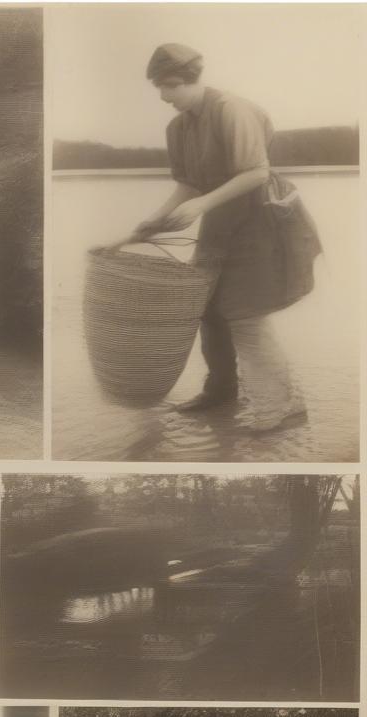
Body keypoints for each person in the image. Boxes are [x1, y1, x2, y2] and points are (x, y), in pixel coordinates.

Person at [133, 44, 320, 432]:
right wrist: (152, 220)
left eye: (170, 86)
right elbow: (187, 184)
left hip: (262, 217)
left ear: (192, 80)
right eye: (159, 88)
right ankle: (221, 391)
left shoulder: (232, 110)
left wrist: (201, 206)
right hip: (221, 219)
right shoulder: (179, 126)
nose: (164, 96)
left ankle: (284, 407)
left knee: (246, 314)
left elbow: (256, 172)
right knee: (208, 307)